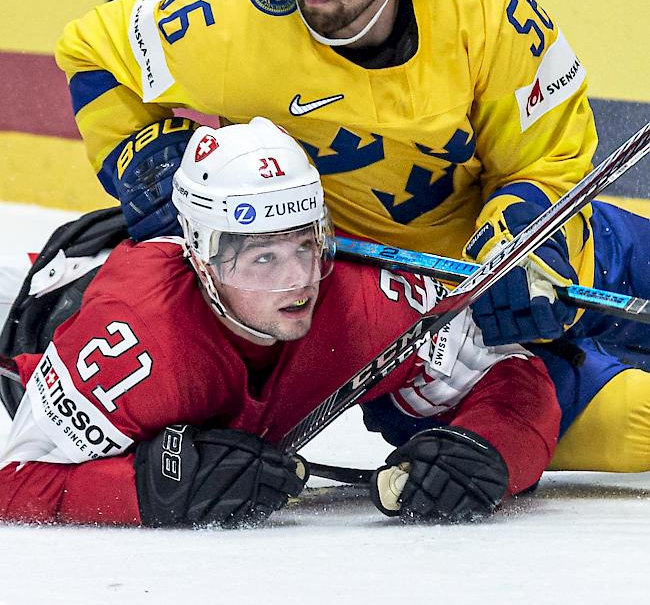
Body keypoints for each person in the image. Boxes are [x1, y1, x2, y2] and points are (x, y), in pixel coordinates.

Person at [54, 0, 650, 466]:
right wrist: (150, 160)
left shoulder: (485, 12)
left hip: (548, 256)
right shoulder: (234, 23)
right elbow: (92, 49)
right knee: (635, 425)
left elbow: (550, 157)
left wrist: (528, 242)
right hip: (416, 337)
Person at [0, 120, 560, 528]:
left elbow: (511, 374)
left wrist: (488, 450)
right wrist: (155, 488)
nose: (298, 281)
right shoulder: (134, 341)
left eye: (305, 244)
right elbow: (16, 480)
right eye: (262, 257)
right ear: (200, 257)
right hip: (61, 307)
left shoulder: (364, 303)